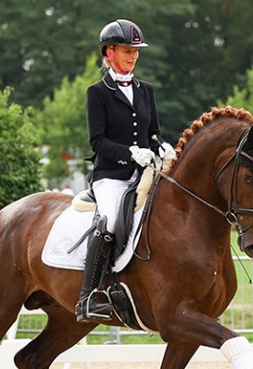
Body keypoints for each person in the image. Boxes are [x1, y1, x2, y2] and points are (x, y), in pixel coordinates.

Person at [76, 19, 175, 323]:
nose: (133, 56)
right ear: (109, 52)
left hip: (146, 171)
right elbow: (97, 141)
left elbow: (153, 132)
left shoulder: (146, 90)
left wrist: (163, 146)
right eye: (127, 50)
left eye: (136, 51)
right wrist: (131, 152)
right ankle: (87, 298)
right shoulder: (98, 92)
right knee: (108, 222)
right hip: (111, 176)